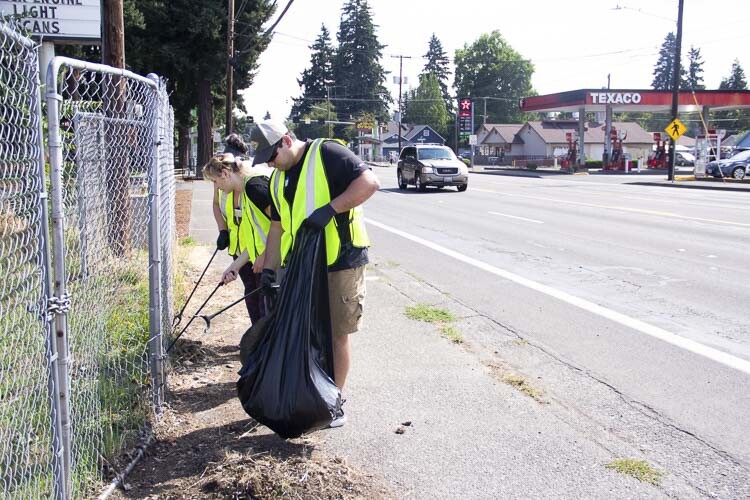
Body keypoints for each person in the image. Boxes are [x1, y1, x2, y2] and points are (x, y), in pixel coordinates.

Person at [250, 119, 380, 428]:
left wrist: (330, 210)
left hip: (340, 259)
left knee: (336, 333)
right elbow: (278, 227)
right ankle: (315, 395)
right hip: (304, 264)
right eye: (265, 160)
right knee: (310, 333)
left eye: (272, 155)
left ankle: (334, 403)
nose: (270, 163)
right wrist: (269, 269)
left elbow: (369, 183)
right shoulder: (277, 180)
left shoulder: (327, 153)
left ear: (285, 140)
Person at [203, 147, 272, 324]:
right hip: (256, 254)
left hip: (273, 258)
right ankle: (259, 343)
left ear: (225, 173)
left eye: (216, 181)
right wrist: (234, 266)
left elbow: (280, 225)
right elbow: (257, 236)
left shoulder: (254, 189)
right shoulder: (246, 191)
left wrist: (263, 256)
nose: (216, 186)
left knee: (268, 304)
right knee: (256, 297)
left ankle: (267, 348)